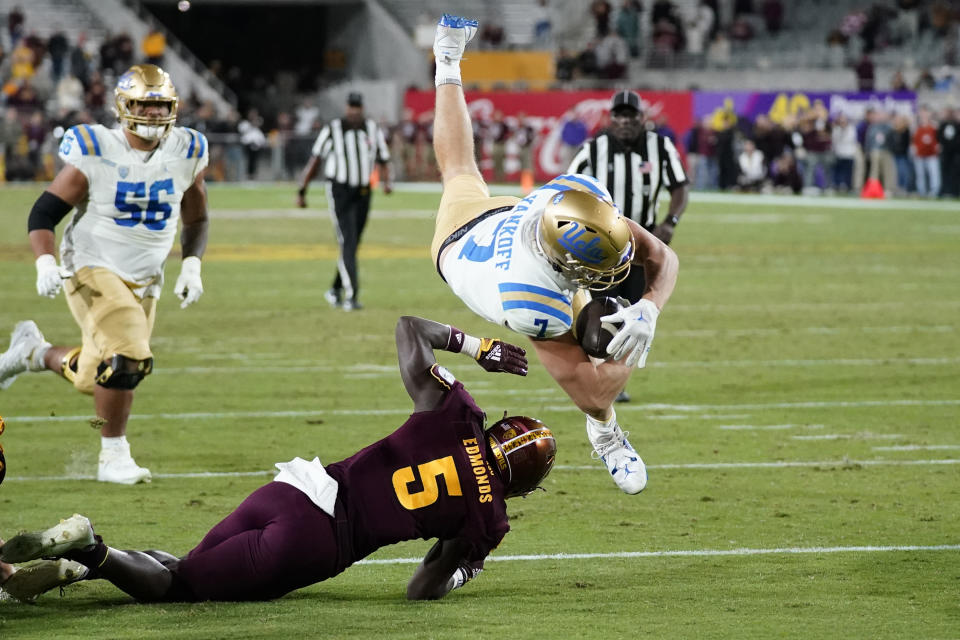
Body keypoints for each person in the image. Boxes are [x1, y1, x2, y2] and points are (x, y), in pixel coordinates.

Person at [0, 316, 556, 604]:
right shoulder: (489, 519)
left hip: (296, 487)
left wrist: (477, 347)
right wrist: (465, 568)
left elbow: (410, 329)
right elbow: (422, 589)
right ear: (524, 485)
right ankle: (90, 547)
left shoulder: (456, 411)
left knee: (187, 565)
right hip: (317, 541)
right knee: (182, 588)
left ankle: (79, 563)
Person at [430, 15, 679, 494]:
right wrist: (634, 345)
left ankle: (447, 59)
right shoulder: (532, 303)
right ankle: (608, 437)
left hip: (513, 217)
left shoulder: (577, 196)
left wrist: (649, 309)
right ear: (569, 270)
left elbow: (663, 256)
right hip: (460, 241)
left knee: (465, 170)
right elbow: (593, 389)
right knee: (599, 354)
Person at [0, 64, 209, 485]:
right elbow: (44, 212)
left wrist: (191, 264)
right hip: (91, 265)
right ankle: (113, 455)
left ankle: (33, 354)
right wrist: (45, 260)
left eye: (160, 106)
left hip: (146, 277)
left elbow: (197, 217)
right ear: (124, 106)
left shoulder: (187, 149)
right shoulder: (97, 148)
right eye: (144, 106)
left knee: (99, 375)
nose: (152, 115)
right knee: (129, 356)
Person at [567, 90, 689, 402]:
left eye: (630, 116)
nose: (624, 121)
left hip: (642, 244)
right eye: (618, 115)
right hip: (601, 243)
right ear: (611, 118)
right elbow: (568, 188)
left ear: (641, 118)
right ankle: (599, 377)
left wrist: (670, 222)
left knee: (632, 309)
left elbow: (680, 188)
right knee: (599, 308)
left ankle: (613, 378)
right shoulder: (594, 150)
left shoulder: (659, 147)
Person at [296, 92, 393, 311]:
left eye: (357, 107)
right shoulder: (332, 129)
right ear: (346, 108)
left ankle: (334, 289)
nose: (354, 111)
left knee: (353, 242)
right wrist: (302, 190)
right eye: (351, 107)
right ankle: (352, 295)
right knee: (347, 241)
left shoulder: (372, 129)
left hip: (363, 191)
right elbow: (316, 160)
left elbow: (383, 159)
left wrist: (388, 182)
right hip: (339, 190)